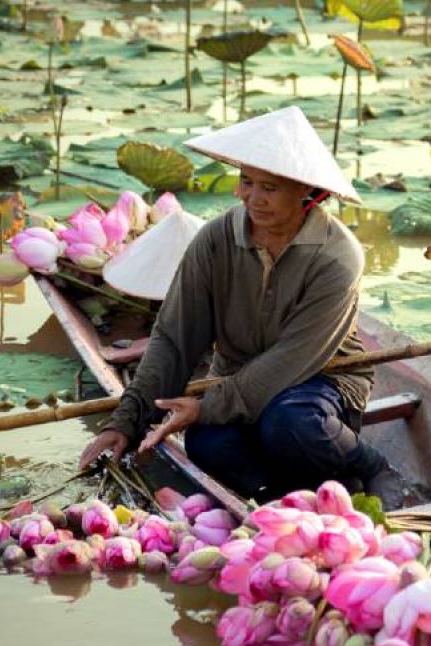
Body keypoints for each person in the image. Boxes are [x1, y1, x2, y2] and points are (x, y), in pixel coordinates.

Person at [78, 106, 402, 505]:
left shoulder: (337, 256)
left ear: (308, 194)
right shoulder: (215, 240)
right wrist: (127, 422)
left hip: (320, 380)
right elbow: (175, 337)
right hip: (236, 375)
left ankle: (370, 467)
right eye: (247, 182)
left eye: (269, 188)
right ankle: (285, 499)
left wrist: (205, 406)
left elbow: (290, 359)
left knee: (289, 422)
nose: (253, 198)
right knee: (207, 444)